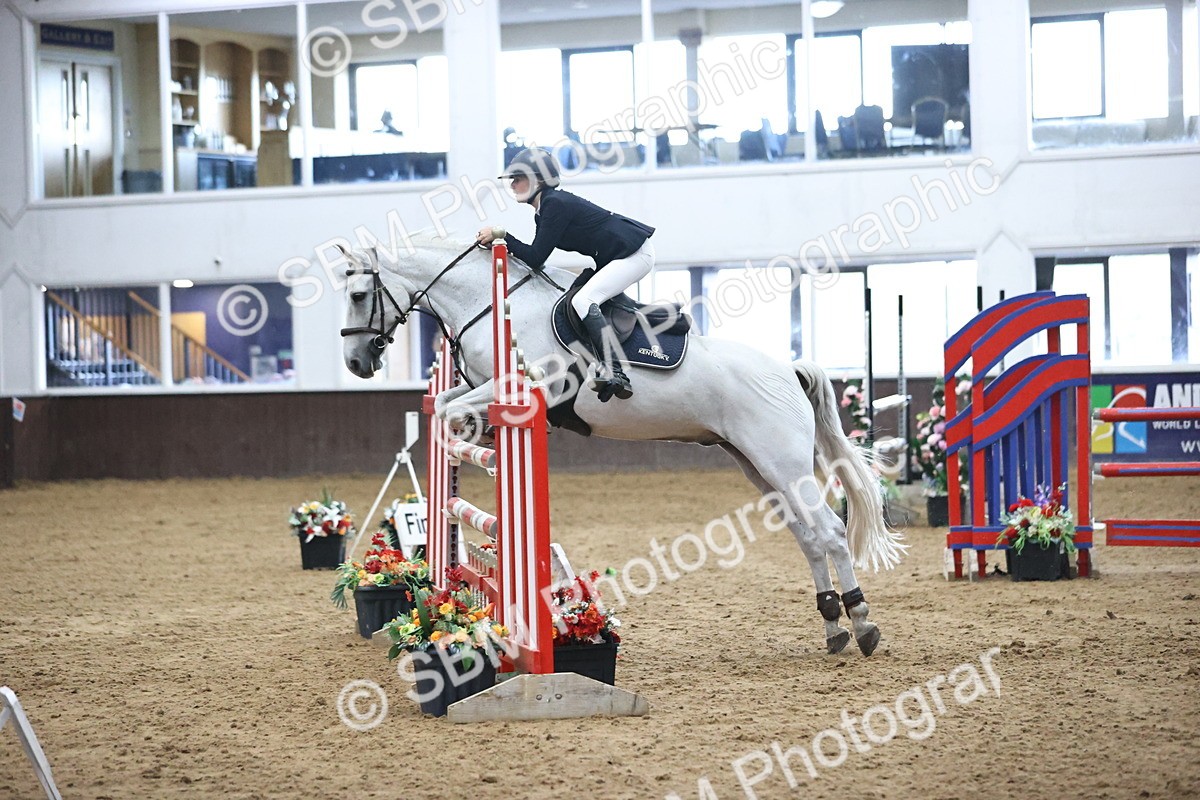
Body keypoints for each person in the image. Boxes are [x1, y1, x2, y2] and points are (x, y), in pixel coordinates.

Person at [477, 147, 655, 402]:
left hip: (635, 254)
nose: (513, 185)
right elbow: (535, 259)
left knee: (584, 300)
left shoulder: (555, 205)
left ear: (538, 180)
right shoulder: (545, 209)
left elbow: (536, 257)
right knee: (577, 295)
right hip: (617, 256)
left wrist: (502, 236)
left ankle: (615, 371)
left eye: (518, 178)